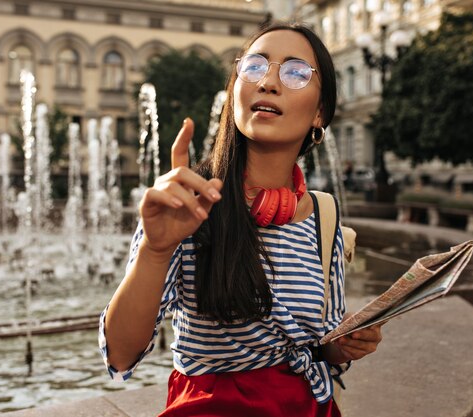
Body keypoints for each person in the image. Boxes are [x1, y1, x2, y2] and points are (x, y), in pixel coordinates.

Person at [99, 22, 383, 417]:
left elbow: (323, 344)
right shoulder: (188, 202)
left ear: (320, 113)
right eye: (254, 67)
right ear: (234, 91)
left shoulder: (325, 215)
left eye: (296, 72)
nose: (268, 82)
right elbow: (120, 355)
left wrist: (346, 343)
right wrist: (155, 248)